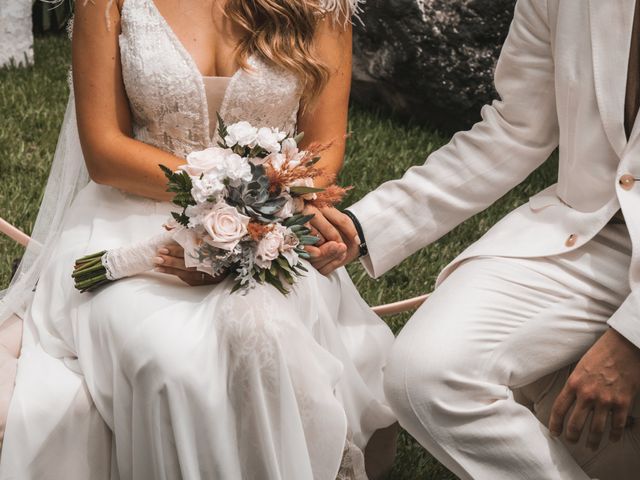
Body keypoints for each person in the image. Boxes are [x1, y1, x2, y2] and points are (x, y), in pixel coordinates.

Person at [0, 0, 397, 478]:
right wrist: (222, 192)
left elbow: (322, 152)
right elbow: (104, 152)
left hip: (267, 228)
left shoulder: (323, 6)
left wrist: (245, 213)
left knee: (264, 339)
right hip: (132, 222)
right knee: (172, 361)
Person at [311, 0, 640, 478]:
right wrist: (363, 228)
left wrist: (630, 340)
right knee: (423, 376)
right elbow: (516, 129)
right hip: (587, 230)